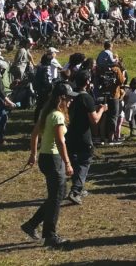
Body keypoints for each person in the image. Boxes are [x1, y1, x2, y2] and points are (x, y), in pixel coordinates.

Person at [22, 83, 77, 248]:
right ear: (61, 99)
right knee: (56, 196)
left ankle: (32, 224)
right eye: (68, 99)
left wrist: (33, 154)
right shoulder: (58, 116)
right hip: (54, 159)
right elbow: (60, 141)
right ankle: (50, 235)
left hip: (45, 158)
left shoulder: (45, 112)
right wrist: (67, 163)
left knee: (58, 195)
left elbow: (34, 134)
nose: (70, 101)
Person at [65, 70, 107, 204]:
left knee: (75, 162)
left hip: (70, 133)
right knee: (84, 162)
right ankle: (75, 191)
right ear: (88, 82)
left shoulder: (72, 96)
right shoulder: (86, 98)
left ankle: (78, 187)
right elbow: (94, 120)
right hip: (83, 135)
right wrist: (102, 109)